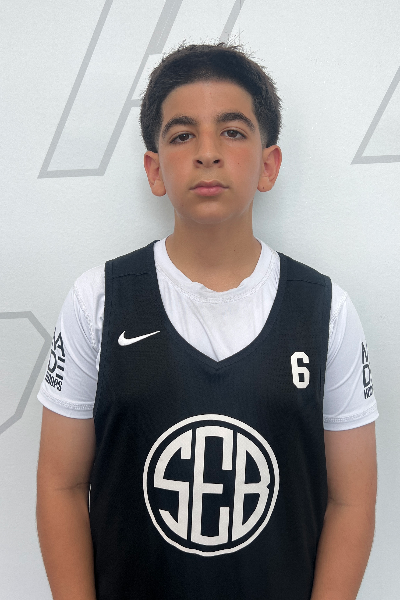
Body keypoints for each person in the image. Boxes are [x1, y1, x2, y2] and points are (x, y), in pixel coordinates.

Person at [36, 42, 378, 600]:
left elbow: (352, 499)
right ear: (154, 169)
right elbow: (61, 485)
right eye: (182, 135)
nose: (208, 153)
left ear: (269, 164)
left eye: (233, 132)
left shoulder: (325, 310)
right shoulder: (97, 300)